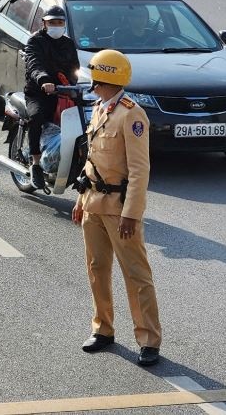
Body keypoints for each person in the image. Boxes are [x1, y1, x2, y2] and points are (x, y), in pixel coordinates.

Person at [70, 49, 162, 366]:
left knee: (136, 275)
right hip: (94, 202)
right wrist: (81, 201)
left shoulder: (131, 114)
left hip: (120, 208)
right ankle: (103, 329)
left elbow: (139, 170)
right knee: (97, 269)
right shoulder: (100, 107)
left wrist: (131, 214)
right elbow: (92, 159)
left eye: (95, 77)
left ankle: (149, 340)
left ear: (106, 77)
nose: (91, 83)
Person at [23, 5, 79, 189]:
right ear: (44, 23)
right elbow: (34, 64)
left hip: (63, 93)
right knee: (37, 117)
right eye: (52, 22)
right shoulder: (35, 41)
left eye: (60, 22)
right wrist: (44, 80)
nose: (56, 25)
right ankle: (36, 163)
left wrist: (75, 83)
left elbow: (74, 68)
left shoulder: (68, 44)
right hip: (39, 93)